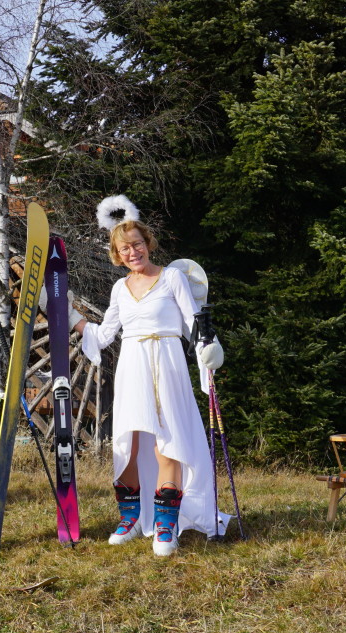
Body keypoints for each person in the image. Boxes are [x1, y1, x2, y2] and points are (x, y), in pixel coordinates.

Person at [71, 195, 229, 556]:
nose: (132, 252)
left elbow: (194, 322)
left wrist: (209, 349)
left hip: (168, 363)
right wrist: (71, 317)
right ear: (117, 254)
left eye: (137, 244)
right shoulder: (118, 288)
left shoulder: (172, 277)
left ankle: (165, 526)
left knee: (166, 440)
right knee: (129, 441)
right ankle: (129, 518)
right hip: (132, 365)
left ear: (147, 243)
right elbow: (105, 333)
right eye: (125, 248)